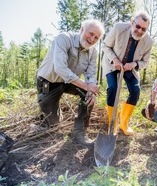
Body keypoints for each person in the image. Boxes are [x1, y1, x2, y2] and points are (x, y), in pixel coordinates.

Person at [36, 19, 105, 147]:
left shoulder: (93, 52)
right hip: (49, 82)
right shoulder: (63, 39)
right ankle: (48, 115)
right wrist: (87, 86)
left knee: (88, 95)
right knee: (53, 126)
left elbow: (90, 75)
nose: (92, 39)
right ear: (82, 29)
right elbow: (60, 68)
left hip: (70, 82)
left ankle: (79, 131)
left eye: (96, 38)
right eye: (91, 34)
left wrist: (90, 90)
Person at [102, 10, 153, 136]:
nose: (140, 31)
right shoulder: (119, 28)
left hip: (131, 68)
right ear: (132, 23)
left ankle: (124, 124)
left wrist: (135, 64)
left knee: (135, 91)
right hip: (112, 63)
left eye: (144, 29)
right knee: (112, 88)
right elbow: (105, 46)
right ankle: (112, 124)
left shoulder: (149, 42)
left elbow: (145, 62)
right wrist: (114, 59)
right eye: (138, 26)